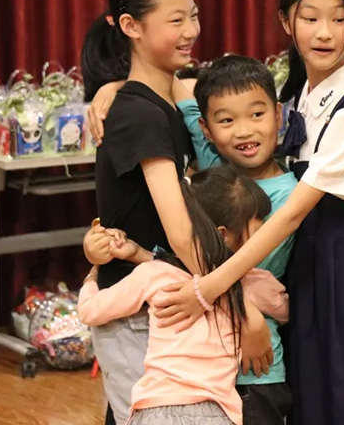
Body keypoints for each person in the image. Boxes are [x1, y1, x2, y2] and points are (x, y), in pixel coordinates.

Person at [151, 0, 344, 425]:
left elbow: (291, 214)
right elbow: (191, 89)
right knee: (312, 401)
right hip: (303, 271)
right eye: (310, 18)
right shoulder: (296, 95)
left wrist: (212, 288)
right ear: (286, 21)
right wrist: (113, 88)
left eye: (339, 19)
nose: (325, 33)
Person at [79, 0, 272, 424]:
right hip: (139, 311)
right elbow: (182, 233)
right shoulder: (139, 115)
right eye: (176, 20)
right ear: (131, 26)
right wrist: (244, 310)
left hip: (163, 305)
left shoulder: (161, 101)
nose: (191, 31)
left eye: (194, 16)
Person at [88, 54, 298, 425]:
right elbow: (169, 80)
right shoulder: (212, 160)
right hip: (196, 377)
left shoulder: (288, 198)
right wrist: (117, 88)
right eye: (227, 120)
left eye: (257, 114)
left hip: (254, 368)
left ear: (278, 115)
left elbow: (229, 272)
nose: (244, 131)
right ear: (206, 129)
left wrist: (247, 318)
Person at [78, 170, 287, 425]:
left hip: (154, 409)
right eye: (259, 232)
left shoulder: (155, 274)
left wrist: (92, 277)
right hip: (216, 412)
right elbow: (284, 309)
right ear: (223, 234)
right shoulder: (250, 280)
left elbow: (90, 310)